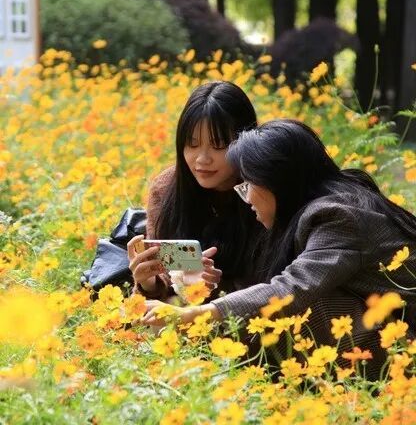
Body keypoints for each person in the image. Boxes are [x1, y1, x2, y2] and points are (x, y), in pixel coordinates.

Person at [142, 119, 416, 373]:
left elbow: (292, 288)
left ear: (276, 180)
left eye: (248, 184)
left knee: (303, 308)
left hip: (405, 346)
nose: (247, 198)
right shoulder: (323, 204)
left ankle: (201, 352)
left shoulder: (336, 216)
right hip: (390, 329)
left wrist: (196, 315)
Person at [128, 81, 262, 301]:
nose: (202, 159)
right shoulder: (166, 189)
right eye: (192, 144)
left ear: (245, 140)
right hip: (181, 312)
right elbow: (160, 293)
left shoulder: (262, 190)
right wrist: (148, 283)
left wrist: (216, 287)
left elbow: (276, 284)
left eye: (218, 145)